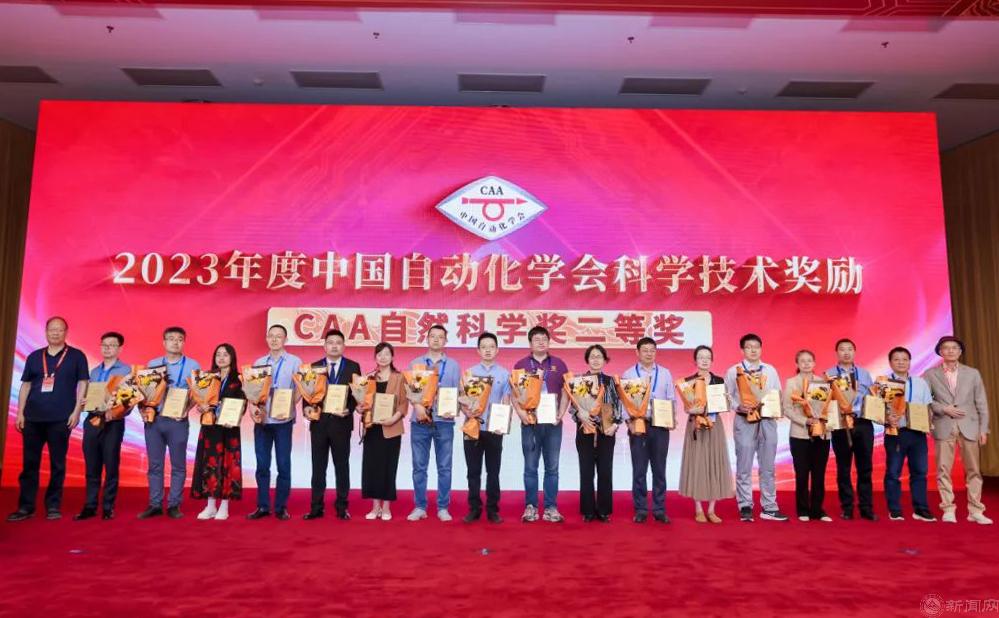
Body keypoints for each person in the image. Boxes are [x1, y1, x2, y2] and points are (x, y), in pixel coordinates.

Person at [8, 317, 89, 522]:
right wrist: (20, 413)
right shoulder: (35, 356)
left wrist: (77, 411)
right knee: (30, 464)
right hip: (32, 418)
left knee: (57, 464)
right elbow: (26, 385)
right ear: (46, 332)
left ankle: (53, 505)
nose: (55, 333)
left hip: (61, 418)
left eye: (59, 330)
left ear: (66, 332)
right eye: (52, 329)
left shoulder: (77, 356)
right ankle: (26, 507)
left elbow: (83, 383)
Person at [922, 336, 991, 525]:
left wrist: (983, 429)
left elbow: (981, 402)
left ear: (960, 352)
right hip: (943, 425)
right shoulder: (930, 374)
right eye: (946, 348)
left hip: (969, 426)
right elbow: (926, 400)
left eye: (954, 348)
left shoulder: (972, 373)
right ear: (940, 352)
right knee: (943, 470)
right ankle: (948, 509)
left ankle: (975, 510)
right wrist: (943, 408)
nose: (950, 351)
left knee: (974, 470)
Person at [725, 333, 788, 522]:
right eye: (749, 347)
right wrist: (738, 407)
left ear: (761, 349)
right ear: (742, 350)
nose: (753, 350)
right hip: (744, 421)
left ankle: (769, 506)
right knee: (744, 466)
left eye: (756, 347)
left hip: (767, 421)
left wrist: (776, 409)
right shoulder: (734, 371)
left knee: (768, 466)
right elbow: (726, 396)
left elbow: (777, 394)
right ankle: (745, 505)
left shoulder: (770, 370)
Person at [138, 326, 201, 520]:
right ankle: (155, 504)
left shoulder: (192, 365)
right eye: (171, 338)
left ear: (184, 342)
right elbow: (144, 390)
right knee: (154, 465)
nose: (175, 342)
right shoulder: (153, 364)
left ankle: (174, 504)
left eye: (179, 339)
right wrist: (143, 409)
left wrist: (186, 409)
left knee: (178, 465)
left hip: (178, 421)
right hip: (155, 420)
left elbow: (197, 393)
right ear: (164, 342)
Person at [513, 326, 570, 524]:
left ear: (549, 341)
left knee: (552, 467)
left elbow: (567, 391)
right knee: (530, 467)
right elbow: (514, 393)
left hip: (553, 424)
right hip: (530, 423)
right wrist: (521, 414)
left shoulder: (559, 364)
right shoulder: (521, 365)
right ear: (530, 343)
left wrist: (561, 414)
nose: (541, 342)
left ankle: (551, 507)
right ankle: (530, 506)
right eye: (536, 339)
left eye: (544, 338)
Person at [304, 329, 361, 521]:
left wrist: (349, 409)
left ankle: (342, 507)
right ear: (324, 346)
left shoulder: (353, 366)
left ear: (344, 346)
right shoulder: (314, 367)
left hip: (341, 423)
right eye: (330, 342)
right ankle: (316, 507)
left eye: (338, 342)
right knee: (318, 467)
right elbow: (307, 393)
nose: (334, 346)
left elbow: (357, 394)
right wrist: (306, 408)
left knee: (342, 466)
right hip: (319, 423)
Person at [246, 324, 302, 521]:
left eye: (279, 336)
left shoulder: (295, 362)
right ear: (267, 339)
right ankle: (262, 506)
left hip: (283, 420)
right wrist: (253, 407)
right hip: (262, 420)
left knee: (283, 464)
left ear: (285, 339)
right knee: (262, 465)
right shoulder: (259, 362)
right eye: (271, 336)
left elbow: (300, 388)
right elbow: (252, 389)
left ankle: (280, 507)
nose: (275, 339)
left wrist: (289, 405)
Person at [407, 324, 462, 522]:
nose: (436, 339)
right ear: (427, 339)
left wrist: (463, 407)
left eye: (440, 336)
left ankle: (443, 507)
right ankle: (420, 506)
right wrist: (417, 406)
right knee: (419, 467)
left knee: (444, 467)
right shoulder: (416, 363)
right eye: (433, 336)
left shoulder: (454, 365)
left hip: (444, 421)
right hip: (420, 421)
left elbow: (459, 392)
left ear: (446, 340)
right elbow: (410, 390)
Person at [76, 331, 132, 521]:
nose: (107, 348)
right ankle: (90, 506)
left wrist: (115, 411)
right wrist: (85, 401)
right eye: (104, 345)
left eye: (112, 345)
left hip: (113, 422)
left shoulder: (126, 371)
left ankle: (108, 507)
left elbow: (129, 399)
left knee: (111, 464)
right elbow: (90, 394)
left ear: (120, 348)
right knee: (92, 465)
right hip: (93, 419)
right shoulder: (94, 371)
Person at [620, 337, 675, 524]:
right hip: (638, 425)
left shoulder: (665, 373)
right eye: (645, 350)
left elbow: (671, 399)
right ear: (637, 352)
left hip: (660, 426)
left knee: (659, 470)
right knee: (639, 470)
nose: (649, 354)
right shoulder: (629, 374)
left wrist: (672, 418)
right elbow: (623, 401)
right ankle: (641, 509)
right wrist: (629, 423)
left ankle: (659, 509)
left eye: (652, 350)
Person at [678, 345, 734, 524]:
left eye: (707, 357)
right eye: (701, 357)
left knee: (714, 464)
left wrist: (727, 402)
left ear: (712, 360)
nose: (704, 360)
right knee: (697, 464)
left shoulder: (719, 381)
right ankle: (698, 509)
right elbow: (686, 407)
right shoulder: (688, 382)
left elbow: (725, 406)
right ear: (695, 360)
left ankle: (711, 509)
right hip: (695, 426)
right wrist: (691, 409)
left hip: (714, 426)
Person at [191, 343, 245, 521]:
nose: (221, 358)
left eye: (225, 354)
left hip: (229, 429)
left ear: (232, 358)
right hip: (210, 428)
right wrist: (201, 406)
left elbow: (243, 402)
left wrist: (236, 415)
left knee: (227, 465)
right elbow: (201, 399)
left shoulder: (239, 379)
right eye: (218, 354)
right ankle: (210, 506)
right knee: (210, 465)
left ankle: (224, 506)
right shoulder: (207, 378)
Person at [461, 332, 511, 524]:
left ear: (497, 350)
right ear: (478, 350)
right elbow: (462, 400)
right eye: (484, 347)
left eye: (491, 347)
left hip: (494, 429)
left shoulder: (504, 374)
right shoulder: (469, 373)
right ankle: (474, 508)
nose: (488, 350)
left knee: (493, 471)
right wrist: (467, 411)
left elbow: (506, 400)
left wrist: (503, 424)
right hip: (472, 427)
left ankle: (492, 510)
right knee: (472, 471)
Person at [825, 338, 876, 521]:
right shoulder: (829, 374)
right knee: (843, 467)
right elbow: (824, 400)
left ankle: (866, 507)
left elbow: (872, 398)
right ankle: (847, 507)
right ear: (837, 353)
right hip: (840, 424)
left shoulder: (865, 374)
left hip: (862, 423)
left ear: (854, 352)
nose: (846, 352)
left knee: (865, 467)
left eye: (849, 349)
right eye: (842, 349)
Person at [883, 346, 935, 522]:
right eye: (897, 359)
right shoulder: (884, 384)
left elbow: (927, 406)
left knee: (920, 471)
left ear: (910, 362)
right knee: (893, 472)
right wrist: (886, 418)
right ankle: (895, 509)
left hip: (918, 434)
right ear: (890, 363)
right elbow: (876, 409)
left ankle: (921, 509)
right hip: (895, 432)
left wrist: (929, 424)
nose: (901, 362)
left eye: (905, 359)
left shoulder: (920, 382)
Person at [571, 345, 622, 522]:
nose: (595, 360)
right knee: (586, 471)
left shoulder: (611, 381)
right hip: (585, 430)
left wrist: (615, 425)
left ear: (604, 360)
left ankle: (604, 510)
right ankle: (587, 510)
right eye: (592, 356)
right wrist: (579, 414)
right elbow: (573, 407)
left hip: (606, 431)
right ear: (587, 360)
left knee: (605, 471)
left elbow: (618, 405)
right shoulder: (579, 381)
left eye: (599, 356)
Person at [782, 350, 832, 522]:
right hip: (800, 434)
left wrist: (823, 419)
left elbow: (829, 406)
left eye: (809, 360)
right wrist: (805, 421)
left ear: (814, 363)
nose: (806, 363)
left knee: (819, 474)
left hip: (821, 433)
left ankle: (817, 510)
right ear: (797, 364)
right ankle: (803, 509)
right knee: (802, 474)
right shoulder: (791, 383)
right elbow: (787, 409)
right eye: (802, 361)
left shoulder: (823, 382)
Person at [359, 342, 408, 521]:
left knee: (388, 467)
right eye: (379, 354)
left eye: (387, 354)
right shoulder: (369, 378)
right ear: (375, 357)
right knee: (372, 467)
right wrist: (359, 407)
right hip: (372, 429)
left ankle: (386, 507)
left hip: (391, 428)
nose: (383, 357)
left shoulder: (400, 377)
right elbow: (363, 402)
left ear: (392, 357)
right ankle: (375, 507)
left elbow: (403, 403)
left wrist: (393, 419)